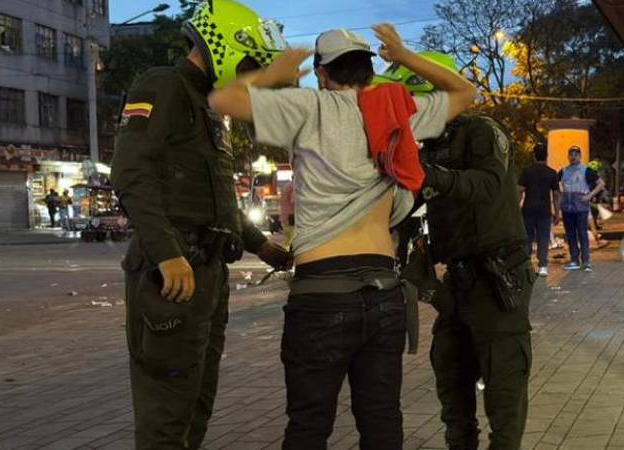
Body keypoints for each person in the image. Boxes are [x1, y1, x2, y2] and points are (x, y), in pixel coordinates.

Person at [207, 22, 475, 449]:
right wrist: (404, 56)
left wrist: (274, 74)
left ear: (323, 73)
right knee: (382, 422)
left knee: (310, 427)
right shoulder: (398, 112)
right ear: (369, 72)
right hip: (385, 292)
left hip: (322, 297)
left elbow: (224, 99)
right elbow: (465, 93)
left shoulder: (310, 107)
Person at [110, 1, 292, 447]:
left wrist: (260, 245)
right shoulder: (163, 86)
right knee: (167, 414)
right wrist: (168, 254)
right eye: (250, 65)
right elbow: (131, 174)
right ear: (227, 46)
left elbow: (217, 199)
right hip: (171, 278)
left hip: (206, 275)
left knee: (195, 404)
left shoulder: (209, 106)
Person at [384, 52, 534, 450]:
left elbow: (486, 184)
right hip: (459, 280)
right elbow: (417, 200)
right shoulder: (427, 147)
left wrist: (428, 175)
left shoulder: (482, 131)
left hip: (498, 278)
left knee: (503, 390)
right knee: (450, 376)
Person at [558, 146, 603, 272]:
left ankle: (586, 261)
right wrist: (560, 197)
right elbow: (556, 185)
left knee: (582, 234)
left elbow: (601, 184)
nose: (573, 157)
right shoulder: (563, 171)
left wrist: (589, 195)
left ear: (580, 156)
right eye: (571, 154)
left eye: (575, 154)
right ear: (568, 156)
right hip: (567, 207)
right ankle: (574, 260)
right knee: (570, 235)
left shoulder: (586, 170)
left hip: (581, 208)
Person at [518, 144, 560, 276]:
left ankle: (527, 264)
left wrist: (516, 206)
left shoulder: (527, 171)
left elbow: (520, 190)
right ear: (546, 156)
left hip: (529, 208)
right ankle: (542, 266)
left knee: (528, 237)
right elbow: (556, 194)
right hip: (544, 210)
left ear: (533, 156)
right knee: (543, 237)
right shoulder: (552, 173)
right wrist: (557, 213)